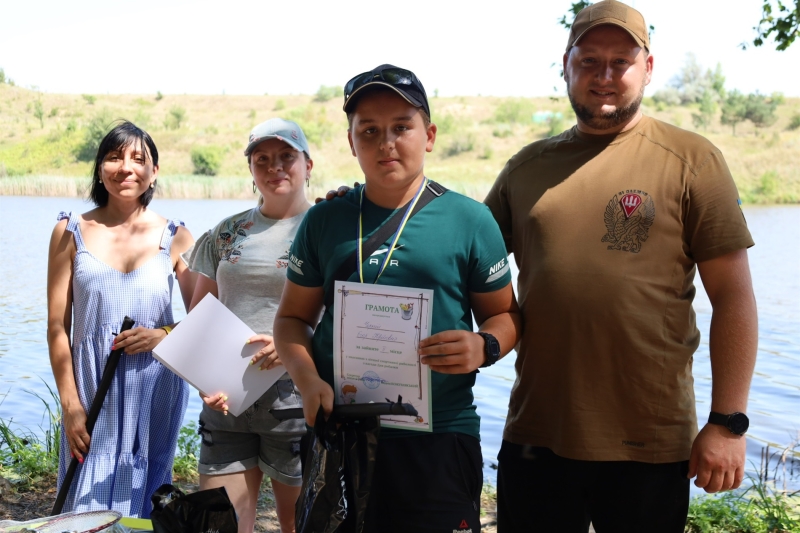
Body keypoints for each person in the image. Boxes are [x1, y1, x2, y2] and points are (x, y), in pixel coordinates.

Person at [483, 2, 758, 531]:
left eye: (620, 62)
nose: (604, 77)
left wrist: (727, 423)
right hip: (538, 433)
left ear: (647, 69)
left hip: (649, 442)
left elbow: (734, 297)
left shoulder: (692, 160)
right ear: (565, 64)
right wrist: (374, 209)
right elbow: (461, 254)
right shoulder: (526, 168)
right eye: (589, 61)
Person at [274, 64, 522, 533]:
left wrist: (483, 347)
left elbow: (507, 316)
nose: (386, 142)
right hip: (340, 433)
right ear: (351, 143)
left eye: (401, 127)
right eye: (369, 130)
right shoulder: (324, 220)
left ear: (428, 135)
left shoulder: (470, 220)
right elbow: (290, 320)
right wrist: (306, 379)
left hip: (439, 436)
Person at [47, 121, 195, 518]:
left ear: (154, 172)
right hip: (91, 382)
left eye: (138, 159)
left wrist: (162, 334)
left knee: (144, 500)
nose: (125, 167)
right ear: (99, 168)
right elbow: (57, 326)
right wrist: (70, 403)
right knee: (82, 502)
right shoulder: (70, 231)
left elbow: (207, 321)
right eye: (114, 157)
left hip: (153, 385)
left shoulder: (175, 236)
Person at [181, 118, 311, 533]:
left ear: (308, 163)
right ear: (251, 170)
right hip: (227, 399)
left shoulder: (328, 229)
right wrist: (204, 381)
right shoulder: (226, 232)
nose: (275, 167)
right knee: (221, 524)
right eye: (262, 159)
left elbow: (344, 317)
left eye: (287, 156)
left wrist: (291, 342)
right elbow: (200, 316)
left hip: (296, 400)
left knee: (300, 524)